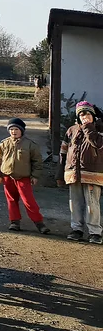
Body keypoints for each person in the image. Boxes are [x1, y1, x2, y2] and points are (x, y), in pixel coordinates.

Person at [58, 101, 103, 244]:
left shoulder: (99, 129)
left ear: (93, 115)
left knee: (92, 204)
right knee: (75, 203)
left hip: (93, 173)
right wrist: (60, 173)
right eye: (82, 114)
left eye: (88, 113)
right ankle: (76, 229)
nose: (85, 116)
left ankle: (95, 232)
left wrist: (88, 127)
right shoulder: (71, 130)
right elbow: (63, 152)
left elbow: (98, 144)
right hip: (73, 173)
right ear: (77, 116)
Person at [0, 118, 49, 233]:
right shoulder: (4, 143)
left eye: (16, 129)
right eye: (11, 129)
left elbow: (37, 162)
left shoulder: (30, 145)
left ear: (22, 130)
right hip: (7, 176)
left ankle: (39, 223)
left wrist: (35, 176)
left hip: (23, 178)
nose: (14, 132)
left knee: (28, 201)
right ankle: (14, 222)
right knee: (11, 200)